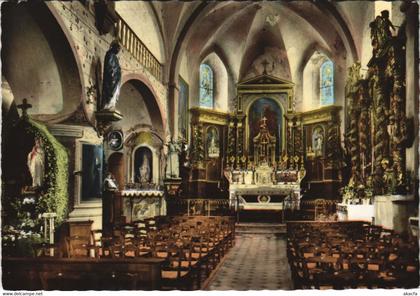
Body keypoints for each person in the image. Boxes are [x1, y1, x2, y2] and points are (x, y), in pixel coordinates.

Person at [101, 40, 121, 111]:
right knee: (110, 91)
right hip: (111, 78)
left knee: (115, 92)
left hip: (116, 79)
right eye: (117, 48)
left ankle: (111, 105)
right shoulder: (109, 54)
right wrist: (113, 73)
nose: (118, 50)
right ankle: (107, 105)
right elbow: (109, 66)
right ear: (113, 47)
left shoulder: (115, 57)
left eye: (119, 49)